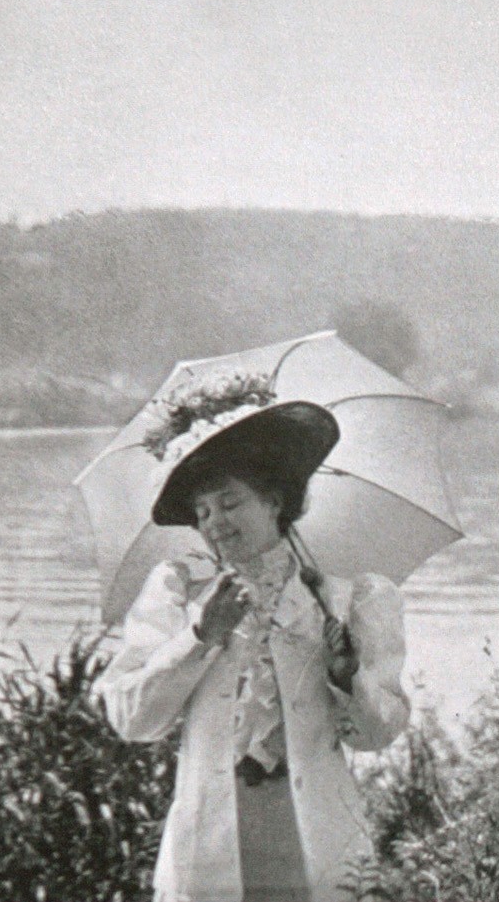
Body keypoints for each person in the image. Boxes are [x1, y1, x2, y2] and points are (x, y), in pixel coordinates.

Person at [93, 385, 409, 902]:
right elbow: (131, 720)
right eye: (201, 512)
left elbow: (377, 736)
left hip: (317, 840)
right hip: (209, 844)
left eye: (229, 502)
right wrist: (200, 637)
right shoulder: (179, 592)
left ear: (274, 501)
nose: (215, 523)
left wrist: (346, 676)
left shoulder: (343, 598)